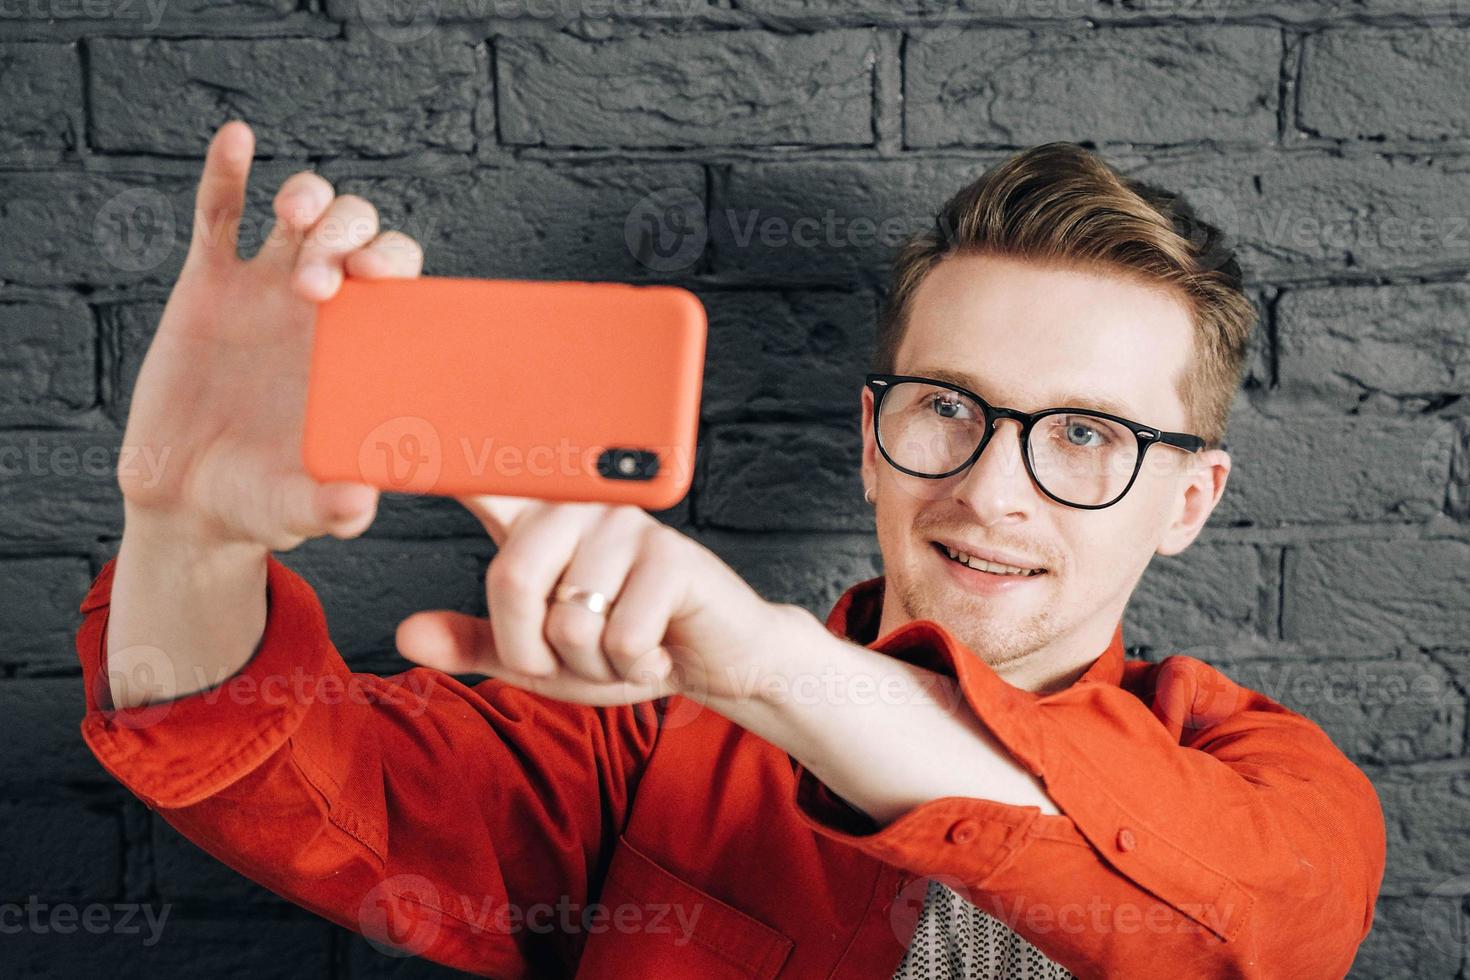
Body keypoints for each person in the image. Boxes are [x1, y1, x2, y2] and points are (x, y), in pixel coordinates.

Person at [74, 119, 1385, 978]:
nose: (992, 491)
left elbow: (1250, 937)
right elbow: (272, 769)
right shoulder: (644, 737)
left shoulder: (1278, 788)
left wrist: (769, 669)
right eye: (947, 409)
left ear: (1191, 500)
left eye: (1088, 436)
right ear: (872, 441)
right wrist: (178, 523)